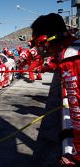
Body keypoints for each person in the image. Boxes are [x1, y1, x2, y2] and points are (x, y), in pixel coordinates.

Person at [30, 13, 80, 166]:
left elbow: (78, 113)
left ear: (46, 41)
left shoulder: (71, 59)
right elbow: (53, 63)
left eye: (38, 42)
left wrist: (77, 157)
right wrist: (42, 68)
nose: (38, 48)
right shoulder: (71, 48)